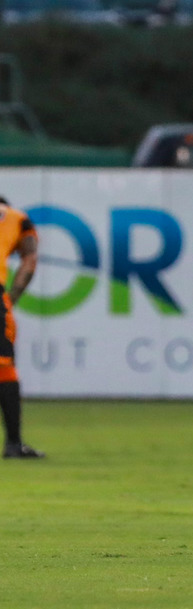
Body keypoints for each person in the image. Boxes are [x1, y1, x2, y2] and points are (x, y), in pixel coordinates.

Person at [0, 196, 45, 459]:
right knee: (4, 367)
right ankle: (14, 443)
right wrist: (12, 298)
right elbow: (30, 256)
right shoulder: (16, 217)